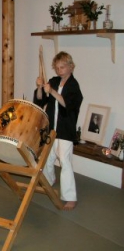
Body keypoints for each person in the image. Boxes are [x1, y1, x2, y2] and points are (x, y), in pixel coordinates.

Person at [33, 51, 83, 210]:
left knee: (64, 161)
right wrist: (40, 87)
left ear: (71, 67)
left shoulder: (74, 86)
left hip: (66, 129)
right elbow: (41, 99)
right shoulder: (53, 81)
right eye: (57, 67)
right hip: (51, 127)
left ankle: (70, 197)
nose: (59, 70)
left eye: (62, 67)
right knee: (47, 157)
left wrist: (52, 91)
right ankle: (48, 181)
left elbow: (67, 104)